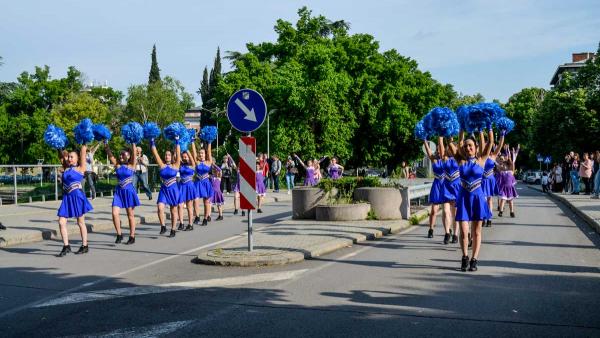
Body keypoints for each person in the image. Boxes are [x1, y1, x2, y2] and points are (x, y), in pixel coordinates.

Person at [455, 128, 494, 272]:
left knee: (477, 231)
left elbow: (490, 142)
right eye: (466, 146)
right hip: (464, 198)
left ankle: (474, 259)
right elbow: (458, 143)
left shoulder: (482, 160)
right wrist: (462, 129)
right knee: (464, 232)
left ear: (476, 147)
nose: (468, 148)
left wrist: (487, 127)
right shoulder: (461, 160)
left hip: (478, 198)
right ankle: (465, 257)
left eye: (470, 145)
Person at [56, 145, 93, 257]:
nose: (69, 159)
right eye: (69, 157)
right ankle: (66, 246)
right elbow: (61, 156)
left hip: (77, 197)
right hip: (67, 198)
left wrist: (83, 142)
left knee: (80, 222)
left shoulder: (80, 168)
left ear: (77, 159)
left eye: (72, 157)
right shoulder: (66, 167)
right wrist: (58, 147)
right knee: (61, 222)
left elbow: (82, 153)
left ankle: (85, 245)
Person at [104, 141, 140, 245]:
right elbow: (109, 154)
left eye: (123, 154)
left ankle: (132, 236)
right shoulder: (117, 165)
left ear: (128, 156)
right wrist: (106, 144)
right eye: (120, 154)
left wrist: (133, 142)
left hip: (129, 191)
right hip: (119, 192)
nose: (121, 156)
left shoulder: (131, 165)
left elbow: (134, 153)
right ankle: (119, 234)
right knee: (114, 213)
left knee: (130, 215)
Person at [151, 138, 181, 237]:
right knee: (160, 208)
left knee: (173, 210)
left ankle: (173, 229)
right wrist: (152, 142)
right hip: (164, 189)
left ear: (172, 156)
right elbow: (155, 154)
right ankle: (163, 226)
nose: (167, 156)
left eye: (169, 155)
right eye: (166, 155)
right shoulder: (162, 165)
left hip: (173, 190)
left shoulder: (175, 165)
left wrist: (177, 142)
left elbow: (178, 154)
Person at [423, 137, 452, 243]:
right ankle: (431, 229)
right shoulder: (434, 159)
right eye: (438, 149)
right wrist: (425, 141)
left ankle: (448, 230)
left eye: (441, 149)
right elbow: (428, 151)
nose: (440, 151)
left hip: (445, 185)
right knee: (434, 210)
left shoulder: (447, 160)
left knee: (447, 211)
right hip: (436, 185)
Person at [480, 130, 505, 227]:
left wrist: (502, 135)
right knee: (483, 200)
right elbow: (480, 144)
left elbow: (499, 146)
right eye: (485, 144)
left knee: (489, 200)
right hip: (482, 180)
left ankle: (489, 218)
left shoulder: (493, 156)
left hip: (490, 180)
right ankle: (482, 217)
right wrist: (480, 131)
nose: (487, 145)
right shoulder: (481, 155)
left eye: (488, 144)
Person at [191, 141, 214, 226]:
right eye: (199, 153)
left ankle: (205, 218)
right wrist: (192, 141)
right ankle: (197, 216)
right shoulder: (197, 162)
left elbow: (209, 151)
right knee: (195, 200)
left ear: (205, 154)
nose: (201, 155)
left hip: (206, 183)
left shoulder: (208, 162)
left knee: (206, 202)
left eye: (202, 153)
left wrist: (209, 141)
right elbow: (193, 152)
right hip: (197, 183)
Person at [444, 139, 462, 244]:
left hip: (456, 188)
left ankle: (455, 234)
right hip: (446, 187)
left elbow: (461, 143)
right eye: (448, 148)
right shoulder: (445, 158)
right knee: (446, 211)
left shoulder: (459, 159)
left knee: (455, 214)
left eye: (452, 148)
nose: (449, 149)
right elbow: (442, 147)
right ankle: (447, 233)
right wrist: (442, 135)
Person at [177, 150, 198, 231]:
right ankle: (181, 223)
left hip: (189, 186)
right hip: (182, 186)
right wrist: (178, 144)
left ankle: (190, 224)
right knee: (180, 205)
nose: (184, 158)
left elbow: (193, 161)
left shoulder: (192, 165)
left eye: (186, 157)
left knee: (189, 206)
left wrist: (187, 150)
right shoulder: (180, 165)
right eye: (183, 157)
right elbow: (177, 157)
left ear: (189, 157)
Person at [497, 145, 520, 218]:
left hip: (510, 188)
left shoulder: (511, 171)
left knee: (510, 201)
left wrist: (508, 151)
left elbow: (512, 162)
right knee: (503, 200)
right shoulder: (502, 171)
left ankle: (512, 212)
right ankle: (500, 211)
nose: (504, 166)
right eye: (503, 166)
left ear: (508, 166)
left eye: (505, 166)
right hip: (504, 188)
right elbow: (498, 164)